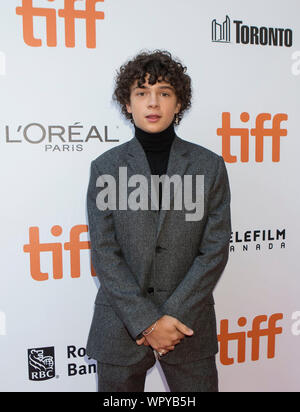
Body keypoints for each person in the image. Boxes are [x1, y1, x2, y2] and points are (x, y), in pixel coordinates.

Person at [86, 50, 232, 392]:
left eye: (164, 93)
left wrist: (173, 317)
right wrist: (146, 322)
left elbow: (215, 249)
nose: (153, 103)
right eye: (142, 93)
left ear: (179, 103)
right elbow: (105, 254)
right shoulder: (105, 168)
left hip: (188, 326)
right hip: (121, 327)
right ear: (127, 104)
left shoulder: (208, 166)